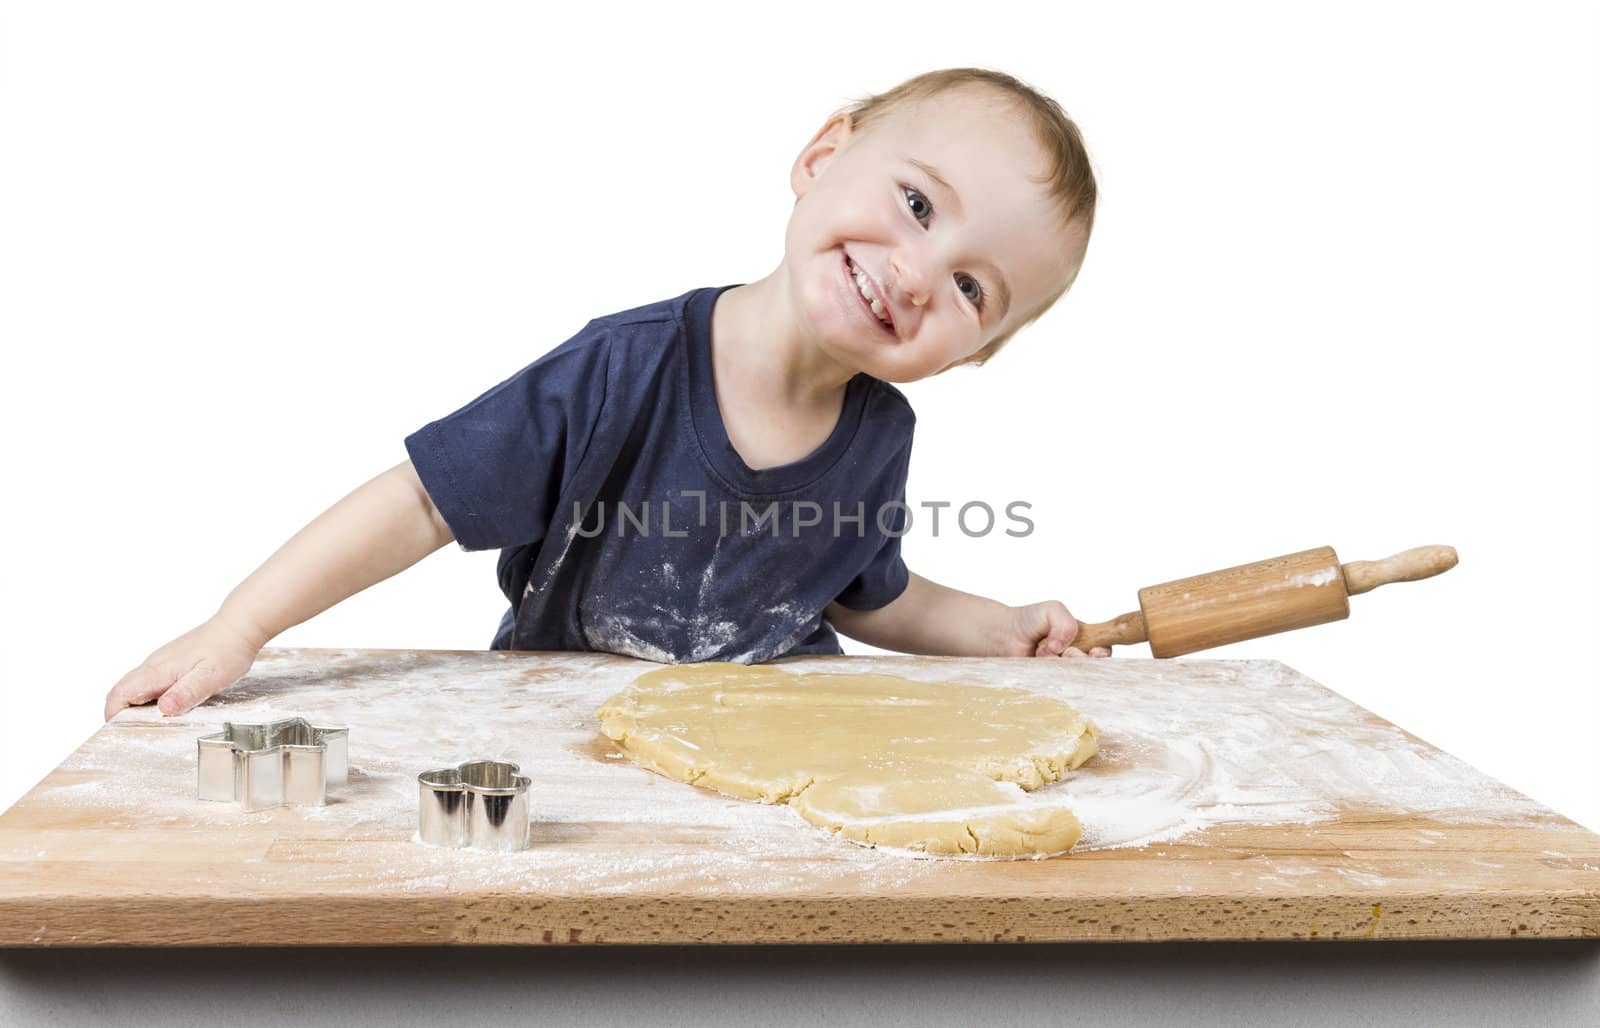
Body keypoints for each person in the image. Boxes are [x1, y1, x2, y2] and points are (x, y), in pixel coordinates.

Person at [103, 67, 1111, 722]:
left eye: (974, 287)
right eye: (918, 202)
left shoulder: (880, 430)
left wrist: (993, 626)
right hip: (566, 736)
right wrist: (238, 626)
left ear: (973, 350)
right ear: (822, 155)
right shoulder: (623, 368)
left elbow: (863, 591)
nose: (920, 272)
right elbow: (420, 499)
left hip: (781, 752)